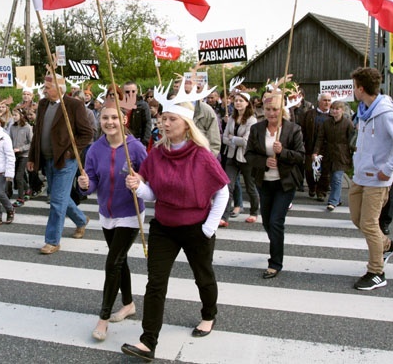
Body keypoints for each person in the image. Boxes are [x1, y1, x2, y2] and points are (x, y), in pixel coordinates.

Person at [121, 86, 229, 362]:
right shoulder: (157, 154)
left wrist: (209, 228)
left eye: (172, 119)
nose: (165, 123)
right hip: (164, 228)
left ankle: (209, 315)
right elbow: (153, 194)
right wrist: (138, 186)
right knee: (155, 283)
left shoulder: (202, 155)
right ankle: (148, 342)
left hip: (196, 227)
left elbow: (222, 192)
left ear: (186, 124)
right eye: (163, 118)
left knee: (202, 275)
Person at [77, 101, 147, 342]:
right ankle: (128, 304)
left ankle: (103, 319)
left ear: (123, 120)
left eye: (114, 118)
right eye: (105, 118)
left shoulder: (136, 148)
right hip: (106, 214)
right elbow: (92, 181)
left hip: (130, 213)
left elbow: (149, 180)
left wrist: (138, 182)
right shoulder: (95, 149)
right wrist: (85, 185)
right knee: (120, 261)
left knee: (112, 263)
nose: (109, 122)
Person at [349, 67, 393, 290]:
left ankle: (376, 272)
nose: (353, 89)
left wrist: (389, 168)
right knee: (358, 220)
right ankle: (386, 245)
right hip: (360, 175)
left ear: (360, 88)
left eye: (354, 85)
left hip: (378, 179)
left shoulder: (385, 113)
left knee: (369, 223)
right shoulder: (364, 110)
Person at [27, 74, 93, 255]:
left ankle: (52, 241)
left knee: (56, 200)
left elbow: (87, 133)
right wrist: (32, 157)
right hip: (47, 159)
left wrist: (72, 152)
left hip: (65, 160)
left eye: (47, 88)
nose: (44, 91)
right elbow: (37, 132)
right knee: (59, 197)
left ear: (59, 88)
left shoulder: (73, 105)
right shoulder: (43, 104)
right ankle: (81, 220)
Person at [245, 91, 305, 279]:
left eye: (275, 110)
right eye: (268, 109)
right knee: (267, 222)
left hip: (285, 183)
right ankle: (276, 244)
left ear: (282, 111)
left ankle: (275, 262)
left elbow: (301, 156)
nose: (272, 113)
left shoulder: (293, 129)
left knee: (276, 222)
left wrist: (283, 152)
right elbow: (249, 155)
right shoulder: (257, 129)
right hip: (264, 182)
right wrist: (264, 162)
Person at [221, 91, 260, 224]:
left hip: (246, 158)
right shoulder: (231, 118)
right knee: (228, 186)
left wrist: (232, 138)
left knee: (250, 186)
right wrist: (233, 139)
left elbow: (246, 141)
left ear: (247, 103)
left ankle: (254, 212)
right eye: (236, 100)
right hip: (232, 156)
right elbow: (224, 138)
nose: (238, 103)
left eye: (241, 101)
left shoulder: (252, 120)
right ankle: (224, 217)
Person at [313, 100, 354, 211]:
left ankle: (333, 201)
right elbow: (320, 138)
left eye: (337, 109)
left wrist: (354, 151)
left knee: (337, 178)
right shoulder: (326, 123)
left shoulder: (347, 123)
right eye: (333, 109)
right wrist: (315, 152)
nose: (334, 111)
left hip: (342, 154)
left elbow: (352, 140)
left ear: (342, 110)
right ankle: (338, 198)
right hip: (329, 154)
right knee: (331, 177)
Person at [301, 92, 332, 202]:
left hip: (327, 149)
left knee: (325, 172)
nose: (327, 103)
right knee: (309, 170)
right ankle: (312, 187)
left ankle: (321, 192)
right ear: (319, 101)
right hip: (310, 147)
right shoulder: (309, 114)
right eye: (324, 100)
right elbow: (302, 130)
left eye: (329, 100)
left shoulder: (333, 116)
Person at [9, 108, 33, 207]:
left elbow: (31, 143)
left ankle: (20, 198)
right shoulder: (12, 127)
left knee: (19, 176)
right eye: (13, 115)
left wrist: (21, 149)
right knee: (16, 175)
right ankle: (27, 189)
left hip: (24, 155)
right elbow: (10, 139)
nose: (14, 117)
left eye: (15, 115)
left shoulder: (27, 127)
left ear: (21, 116)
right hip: (14, 155)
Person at [123, 81, 152, 147]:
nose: (130, 94)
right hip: (122, 140)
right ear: (123, 92)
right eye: (127, 92)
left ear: (137, 91)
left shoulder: (143, 105)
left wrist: (144, 142)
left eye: (133, 91)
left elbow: (147, 124)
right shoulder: (120, 105)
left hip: (137, 140)